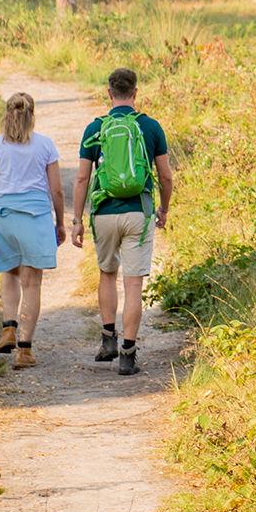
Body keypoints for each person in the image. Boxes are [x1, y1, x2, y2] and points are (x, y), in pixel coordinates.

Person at [73, 67, 174, 376]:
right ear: (135, 93)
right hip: (138, 214)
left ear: (109, 93)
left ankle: (108, 341)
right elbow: (166, 176)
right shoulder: (150, 127)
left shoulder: (94, 129)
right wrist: (164, 210)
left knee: (106, 274)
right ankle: (128, 356)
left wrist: (76, 219)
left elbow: (81, 178)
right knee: (133, 285)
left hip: (104, 212)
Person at [0, 91, 65, 369]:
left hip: (4, 218)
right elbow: (58, 190)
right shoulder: (45, 145)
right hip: (35, 219)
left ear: (7, 114)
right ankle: (24, 351)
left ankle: (8, 328)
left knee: (10, 273)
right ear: (33, 116)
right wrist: (60, 223)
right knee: (32, 283)